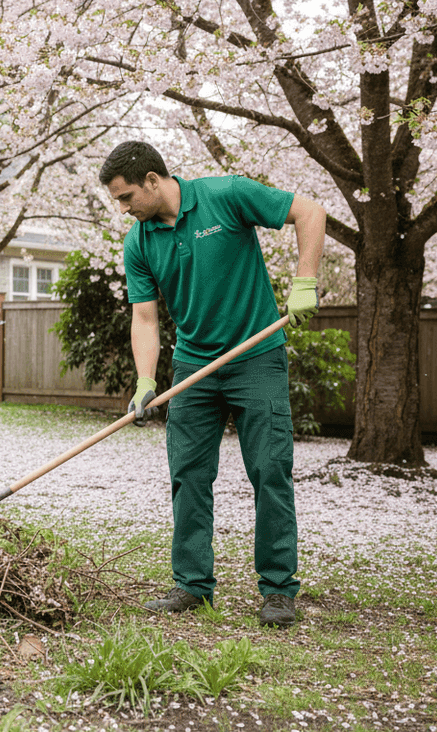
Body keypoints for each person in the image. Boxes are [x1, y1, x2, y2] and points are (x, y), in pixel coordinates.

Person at [100, 140, 326, 628]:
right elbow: (145, 318)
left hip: (256, 358)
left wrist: (304, 281)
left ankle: (278, 589)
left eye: (125, 197)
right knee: (189, 476)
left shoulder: (227, 195)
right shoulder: (139, 241)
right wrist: (145, 379)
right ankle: (193, 585)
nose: (123, 209)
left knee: (270, 471)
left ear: (153, 181)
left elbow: (309, 212)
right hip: (193, 368)